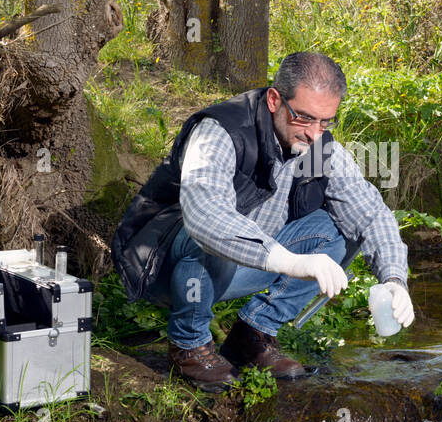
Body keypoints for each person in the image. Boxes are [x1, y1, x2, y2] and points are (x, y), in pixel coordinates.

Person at [111, 51, 415, 389]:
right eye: (304, 117)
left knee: (343, 229)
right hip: (163, 265)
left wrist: (394, 279)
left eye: (326, 121)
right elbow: (205, 216)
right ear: (274, 99)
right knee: (211, 235)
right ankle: (190, 344)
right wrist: (289, 260)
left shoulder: (318, 147)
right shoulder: (221, 131)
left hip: (245, 263)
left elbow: (370, 213)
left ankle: (253, 336)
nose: (315, 133)